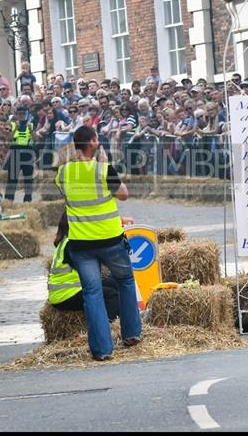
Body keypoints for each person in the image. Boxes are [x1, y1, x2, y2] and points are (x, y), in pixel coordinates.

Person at [55, 125, 141, 361]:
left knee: (91, 293)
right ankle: (131, 334)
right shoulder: (103, 170)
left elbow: (65, 192)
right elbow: (124, 194)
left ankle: (102, 350)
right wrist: (104, 163)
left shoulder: (63, 173)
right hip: (110, 239)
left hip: (81, 243)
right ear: (93, 142)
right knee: (125, 281)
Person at [48, 213, 120, 322]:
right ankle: (108, 328)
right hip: (66, 295)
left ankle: (123, 318)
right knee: (111, 295)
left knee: (114, 283)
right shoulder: (72, 244)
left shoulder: (66, 240)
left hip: (73, 288)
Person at [4, 106, 36, 203]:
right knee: (12, 178)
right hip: (15, 152)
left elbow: (36, 139)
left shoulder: (31, 124)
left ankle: (28, 200)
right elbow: (8, 139)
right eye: (19, 114)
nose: (21, 116)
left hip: (27, 152)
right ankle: (8, 201)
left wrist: (31, 131)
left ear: (26, 114)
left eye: (23, 114)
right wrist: (15, 129)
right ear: (16, 114)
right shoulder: (11, 124)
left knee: (28, 178)